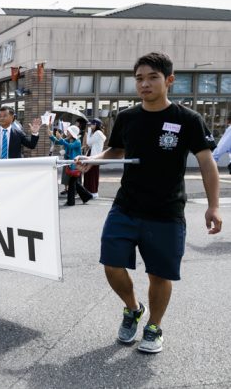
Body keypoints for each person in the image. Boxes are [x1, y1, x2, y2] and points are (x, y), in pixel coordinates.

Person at [76, 52, 222, 354]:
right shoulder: (128, 118)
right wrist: (93, 160)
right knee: (112, 265)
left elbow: (207, 164)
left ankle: (154, 326)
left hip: (166, 212)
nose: (144, 84)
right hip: (126, 206)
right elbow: (116, 150)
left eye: (152, 77)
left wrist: (214, 206)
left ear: (169, 81)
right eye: (139, 78)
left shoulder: (188, 120)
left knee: (159, 275)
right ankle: (132, 309)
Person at [49, 124, 92, 206]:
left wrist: (61, 138)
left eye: (68, 132)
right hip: (70, 164)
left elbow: (70, 146)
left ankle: (71, 202)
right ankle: (87, 196)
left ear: (72, 134)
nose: (67, 133)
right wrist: (51, 135)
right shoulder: (68, 140)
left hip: (76, 165)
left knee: (72, 183)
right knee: (75, 183)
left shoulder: (77, 142)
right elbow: (58, 141)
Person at [83, 118, 107, 198]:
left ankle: (92, 192)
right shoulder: (97, 133)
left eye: (91, 124)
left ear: (96, 125)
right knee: (90, 174)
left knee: (92, 175)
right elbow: (89, 144)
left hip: (94, 156)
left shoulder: (98, 133)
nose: (90, 126)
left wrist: (89, 132)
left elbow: (88, 142)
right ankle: (89, 192)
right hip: (93, 155)